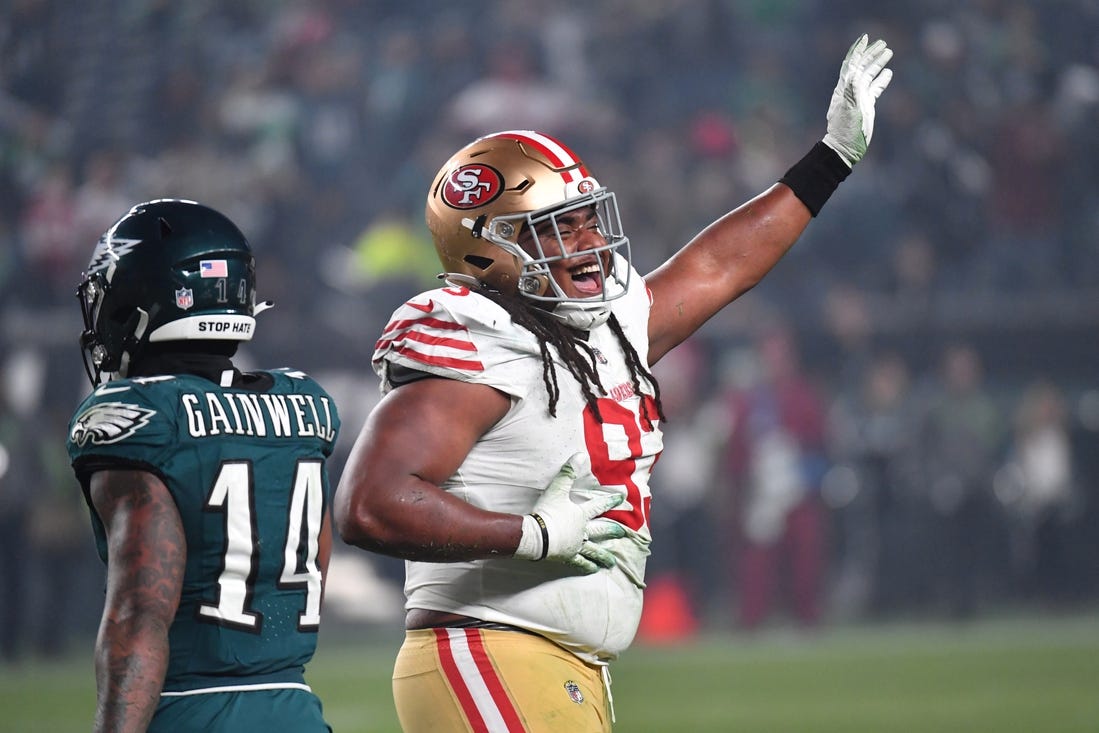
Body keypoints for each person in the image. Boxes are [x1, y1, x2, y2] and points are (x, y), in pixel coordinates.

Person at [335, 35, 893, 732]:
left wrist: (828, 160)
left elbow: (720, 265)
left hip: (567, 667)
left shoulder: (601, 325)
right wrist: (528, 534)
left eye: (585, 220)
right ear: (489, 249)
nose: (588, 244)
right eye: (555, 230)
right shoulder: (477, 338)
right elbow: (370, 503)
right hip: (484, 648)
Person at [66, 199, 341, 733]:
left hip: (189, 710)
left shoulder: (141, 414)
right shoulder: (307, 405)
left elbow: (139, 613)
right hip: (294, 707)